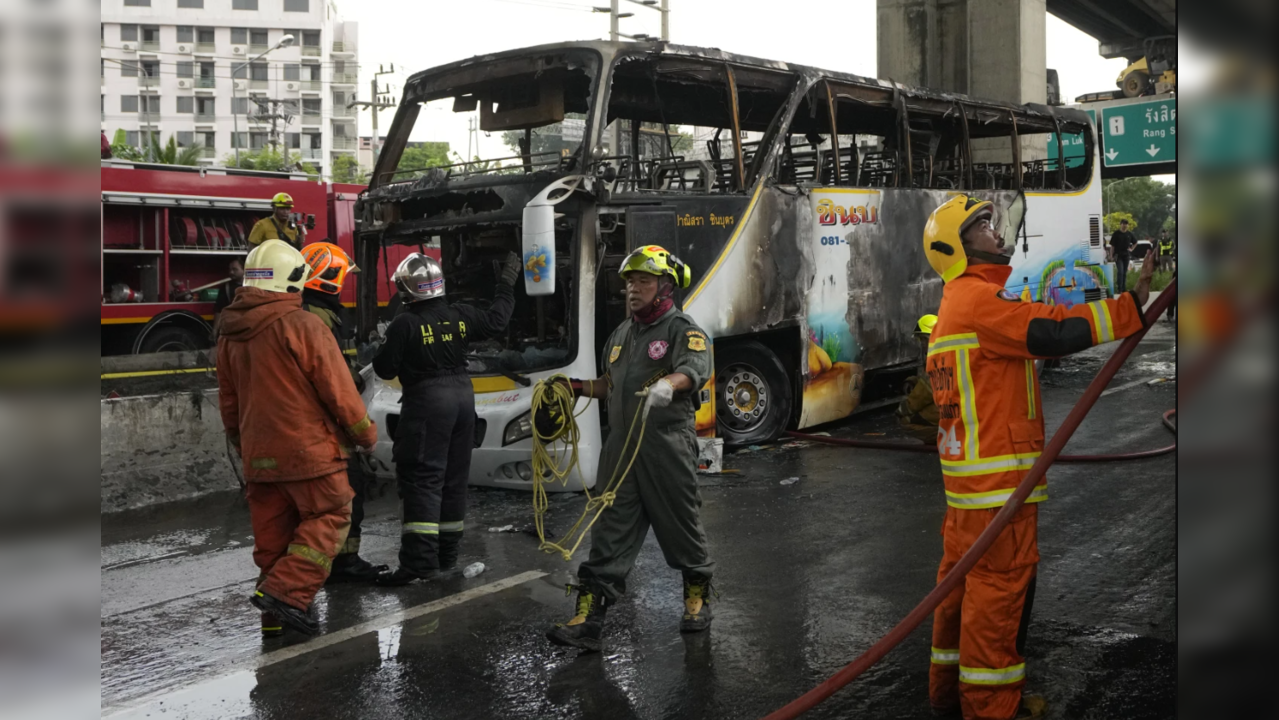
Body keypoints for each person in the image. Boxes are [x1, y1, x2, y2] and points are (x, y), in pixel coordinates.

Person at [921, 196, 1154, 720]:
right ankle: (992, 708)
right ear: (955, 249)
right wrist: (1128, 309)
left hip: (968, 494)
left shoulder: (954, 309)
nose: (995, 229)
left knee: (960, 594)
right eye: (981, 225)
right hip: (999, 490)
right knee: (998, 600)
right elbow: (1050, 330)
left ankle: (946, 694)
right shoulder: (979, 303)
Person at [545, 245, 715, 653]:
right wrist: (577, 389)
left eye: (642, 281)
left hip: (666, 445)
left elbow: (694, 369)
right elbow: (611, 385)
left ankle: (697, 597)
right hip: (621, 450)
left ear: (664, 286)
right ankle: (588, 621)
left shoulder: (681, 329)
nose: (632, 290)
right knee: (609, 531)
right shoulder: (621, 335)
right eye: (629, 282)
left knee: (680, 524)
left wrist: (668, 385)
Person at [217, 239, 379, 636]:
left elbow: (229, 403)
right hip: (309, 451)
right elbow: (338, 390)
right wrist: (365, 435)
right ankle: (288, 596)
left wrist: (245, 446)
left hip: (260, 455)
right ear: (290, 280)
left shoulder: (229, 335)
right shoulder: (304, 325)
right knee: (330, 515)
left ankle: (273, 620)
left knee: (274, 537)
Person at [371, 251, 521, 586]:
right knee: (454, 480)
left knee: (423, 480)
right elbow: (497, 320)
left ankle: (419, 565)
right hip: (463, 400)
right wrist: (506, 285)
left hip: (427, 403)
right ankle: (446, 559)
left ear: (405, 290)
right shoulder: (460, 315)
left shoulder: (405, 324)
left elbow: (384, 368)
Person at [298, 241, 389, 584]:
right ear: (329, 280)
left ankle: (337, 563)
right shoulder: (316, 318)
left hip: (317, 425)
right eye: (342, 278)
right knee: (349, 492)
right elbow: (332, 377)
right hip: (327, 426)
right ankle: (342, 565)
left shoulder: (315, 312)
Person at [897, 314, 941, 442]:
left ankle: (941, 437)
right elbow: (925, 381)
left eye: (923, 339)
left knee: (905, 421)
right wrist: (913, 380)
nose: (921, 344)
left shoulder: (937, 360)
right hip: (948, 407)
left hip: (945, 411)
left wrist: (904, 409)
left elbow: (926, 390)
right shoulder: (941, 354)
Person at [212, 258, 245, 335]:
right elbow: (219, 309)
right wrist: (215, 330)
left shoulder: (252, 286)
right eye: (230, 269)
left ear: (244, 270)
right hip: (232, 327)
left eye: (234, 269)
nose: (231, 272)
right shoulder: (225, 287)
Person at [1107, 219, 1136, 293]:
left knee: (1124, 272)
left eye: (1126, 224)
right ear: (1120, 224)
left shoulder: (1129, 234)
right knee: (1120, 271)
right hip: (1118, 255)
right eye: (1123, 224)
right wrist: (1111, 255)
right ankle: (1119, 288)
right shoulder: (1116, 234)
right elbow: (1112, 246)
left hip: (1126, 255)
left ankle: (1123, 288)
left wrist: (1131, 249)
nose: (1124, 225)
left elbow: (1135, 242)